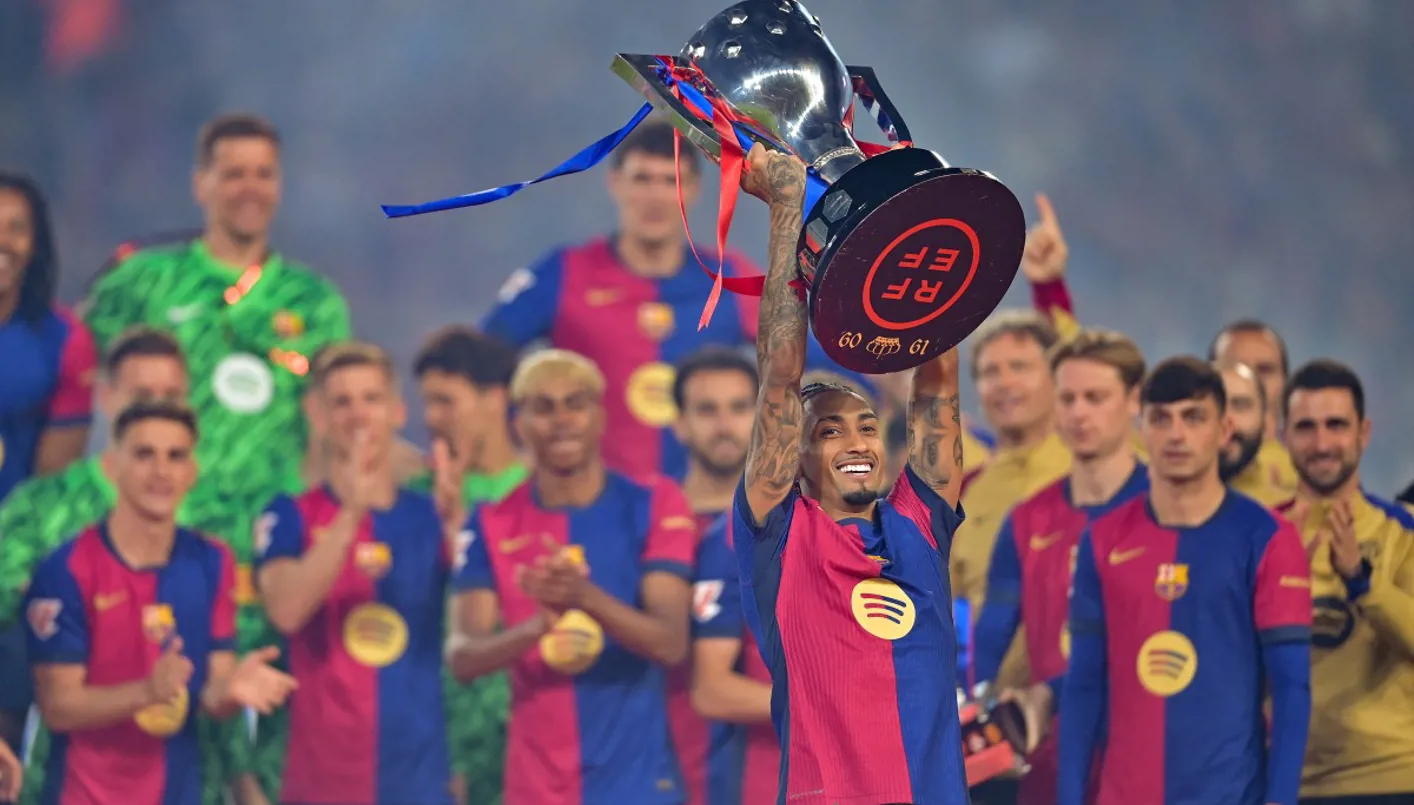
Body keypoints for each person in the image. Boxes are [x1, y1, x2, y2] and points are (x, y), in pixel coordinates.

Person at [731, 143, 969, 803]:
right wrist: (786, 207)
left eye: (865, 425)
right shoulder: (779, 537)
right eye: (829, 431)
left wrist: (928, 217)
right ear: (795, 456)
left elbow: (938, 376)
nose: (857, 441)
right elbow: (780, 376)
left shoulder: (919, 524)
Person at [81, 112, 352, 653]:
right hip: (161, 535)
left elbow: (338, 423)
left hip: (273, 547)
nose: (250, 188)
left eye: (263, 174)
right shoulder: (144, 282)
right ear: (199, 184)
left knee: (264, 694)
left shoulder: (314, 301)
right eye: (233, 174)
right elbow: (72, 369)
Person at [479, 120, 872, 482]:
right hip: (589, 504)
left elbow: (829, 365)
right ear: (615, 183)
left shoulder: (730, 279)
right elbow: (478, 366)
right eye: (642, 179)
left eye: (672, 181)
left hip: (702, 508)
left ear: (695, 189)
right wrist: (515, 444)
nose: (655, 197)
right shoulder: (564, 273)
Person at [0, 328, 257, 805]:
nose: (157, 407)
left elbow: (218, 677)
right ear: (106, 396)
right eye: (142, 395)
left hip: (188, 784)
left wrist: (247, 782)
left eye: (171, 396)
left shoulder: (219, 526)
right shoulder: (42, 512)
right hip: (70, 782)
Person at [447, 349, 697, 805]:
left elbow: (670, 643)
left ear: (600, 417)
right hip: (536, 785)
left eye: (575, 404)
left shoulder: (655, 503)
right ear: (518, 423)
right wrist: (535, 628)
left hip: (637, 781)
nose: (561, 420)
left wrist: (584, 598)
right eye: (543, 408)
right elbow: (462, 657)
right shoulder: (491, 521)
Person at [1058, 357, 1312, 805]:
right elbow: (1082, 685)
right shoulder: (1102, 539)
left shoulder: (1268, 538)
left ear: (1225, 429)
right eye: (1161, 419)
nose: (1176, 435)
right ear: (1141, 428)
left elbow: (1292, 689)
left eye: (1193, 418)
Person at [23, 399, 296, 805]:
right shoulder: (67, 569)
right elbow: (59, 706)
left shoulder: (213, 561)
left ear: (192, 471)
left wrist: (231, 692)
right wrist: (147, 691)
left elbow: (211, 693)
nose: (161, 471)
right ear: (112, 466)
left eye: (176, 456)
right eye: (144, 454)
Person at [253, 342, 459, 805]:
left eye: (372, 399)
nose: (358, 414)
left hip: (420, 781)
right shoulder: (289, 515)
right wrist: (351, 514)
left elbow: (481, 624)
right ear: (319, 416)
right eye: (342, 402)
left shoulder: (430, 516)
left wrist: (458, 523)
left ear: (398, 412)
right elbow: (286, 611)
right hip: (321, 783)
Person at [970, 329, 1150, 805]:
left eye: (1096, 397)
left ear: (1134, 400)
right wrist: (982, 707)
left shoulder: (1170, 513)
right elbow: (990, 640)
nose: (1079, 413)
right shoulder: (1028, 519)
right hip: (1052, 770)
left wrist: (1049, 692)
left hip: (1151, 765)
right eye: (1067, 398)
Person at [1274, 360, 1414, 804]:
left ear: (1363, 433)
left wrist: (1361, 582)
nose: (1322, 444)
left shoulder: (1403, 531)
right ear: (1283, 435)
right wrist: (1279, 590)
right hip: (1286, 781)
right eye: (1306, 427)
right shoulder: (1256, 535)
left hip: (1390, 778)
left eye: (1336, 425)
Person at [0, 171, 99, 756]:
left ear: (36, 244)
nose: (3, 241)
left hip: (9, 578)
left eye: (17, 228)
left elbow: (49, 495)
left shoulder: (64, 341)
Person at [412, 326, 529, 805]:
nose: (431, 418)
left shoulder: (536, 491)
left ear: (495, 398)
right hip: (434, 723)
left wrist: (459, 524)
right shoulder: (413, 495)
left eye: (446, 401)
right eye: (427, 403)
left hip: (518, 720)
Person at [667, 346, 771, 805]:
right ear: (679, 423)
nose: (725, 425)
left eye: (739, 407)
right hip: (664, 766)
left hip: (766, 770)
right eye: (707, 410)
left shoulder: (794, 524)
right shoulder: (646, 523)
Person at [1208, 319, 1298, 498]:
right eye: (1236, 368)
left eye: (1265, 370)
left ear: (1286, 383)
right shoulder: (1168, 468)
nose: (1250, 378)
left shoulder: (1309, 477)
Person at [1215, 360, 1290, 505]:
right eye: (1217, 405)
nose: (1226, 420)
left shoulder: (1284, 508)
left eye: (1240, 406)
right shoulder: (1169, 504)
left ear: (1265, 419)